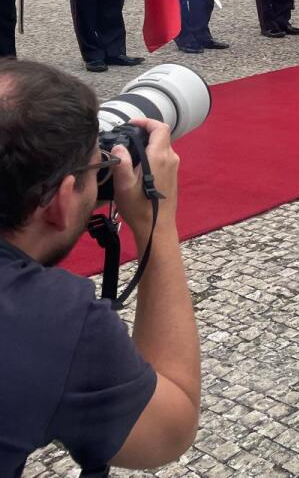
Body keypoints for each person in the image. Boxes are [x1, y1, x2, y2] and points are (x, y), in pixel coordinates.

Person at [0, 60, 200, 475]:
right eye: (97, 169)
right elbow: (168, 431)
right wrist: (155, 223)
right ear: (61, 200)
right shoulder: (46, 316)